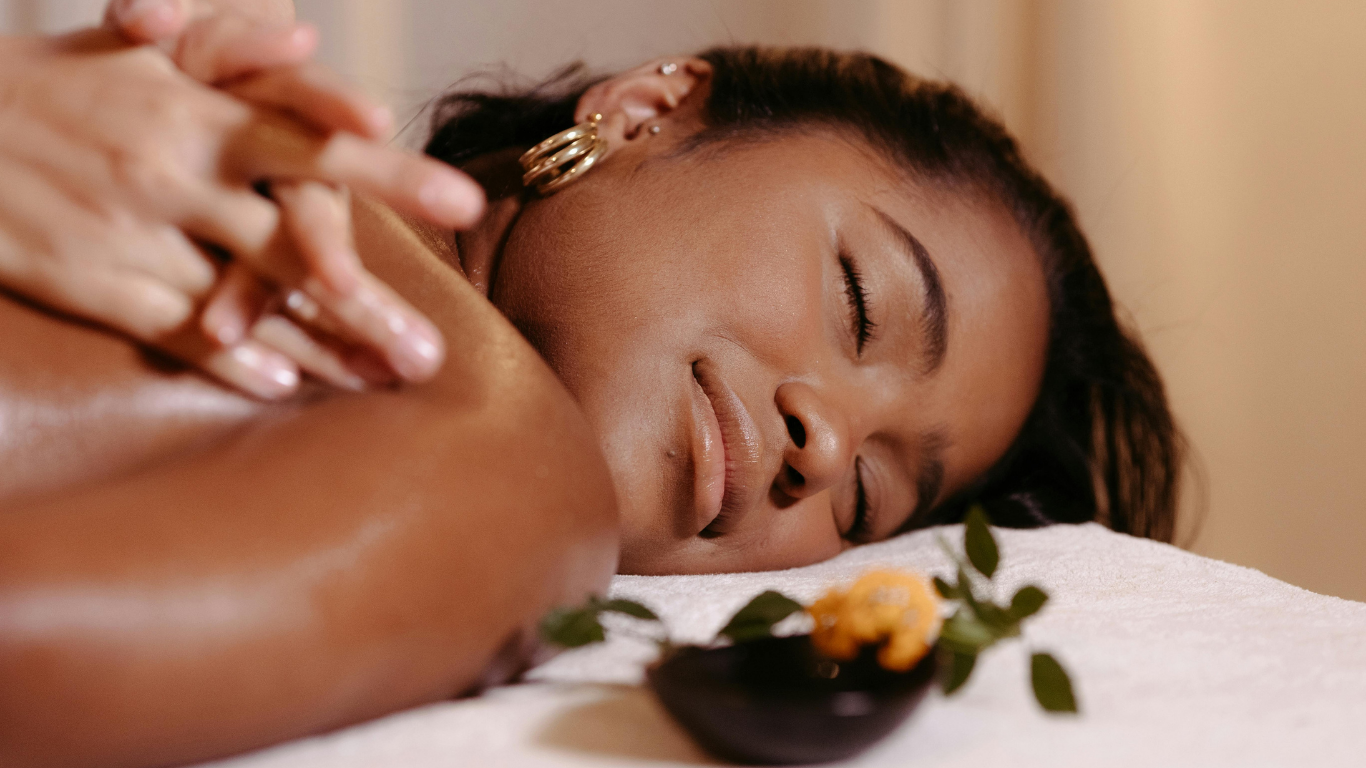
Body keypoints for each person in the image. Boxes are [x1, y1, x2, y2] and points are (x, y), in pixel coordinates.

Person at [0, 1, 1183, 765]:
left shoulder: (509, 470)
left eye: (870, 497)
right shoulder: (146, 120)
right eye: (861, 305)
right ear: (650, 110)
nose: (820, 445)